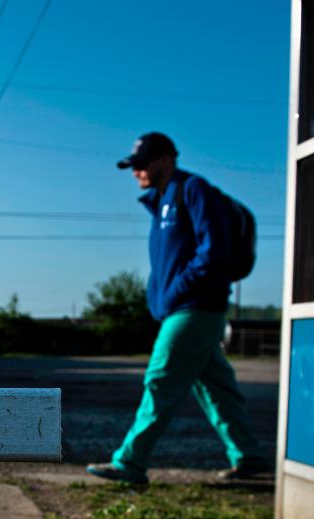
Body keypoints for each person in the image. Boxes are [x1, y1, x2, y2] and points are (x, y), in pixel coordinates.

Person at [86, 132, 267, 485]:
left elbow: (212, 252)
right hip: (184, 307)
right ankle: (249, 456)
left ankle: (130, 463)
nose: (136, 172)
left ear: (165, 159)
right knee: (216, 389)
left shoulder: (193, 190)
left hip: (195, 307)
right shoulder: (162, 201)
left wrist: (176, 291)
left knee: (160, 380)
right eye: (133, 166)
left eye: (142, 164)